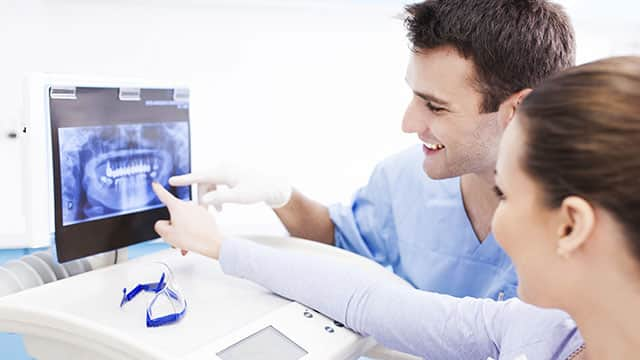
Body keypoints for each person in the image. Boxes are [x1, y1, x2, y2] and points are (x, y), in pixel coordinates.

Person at [152, 56, 640, 359]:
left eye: (509, 196)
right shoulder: (541, 330)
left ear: (571, 225)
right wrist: (222, 246)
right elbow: (368, 300)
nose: (410, 123)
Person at [169, 0, 575, 300]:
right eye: (414, 96)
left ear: (518, 107)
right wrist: (284, 197)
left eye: (435, 106)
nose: (408, 124)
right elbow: (340, 243)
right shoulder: (405, 179)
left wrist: (226, 248)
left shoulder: (592, 217)